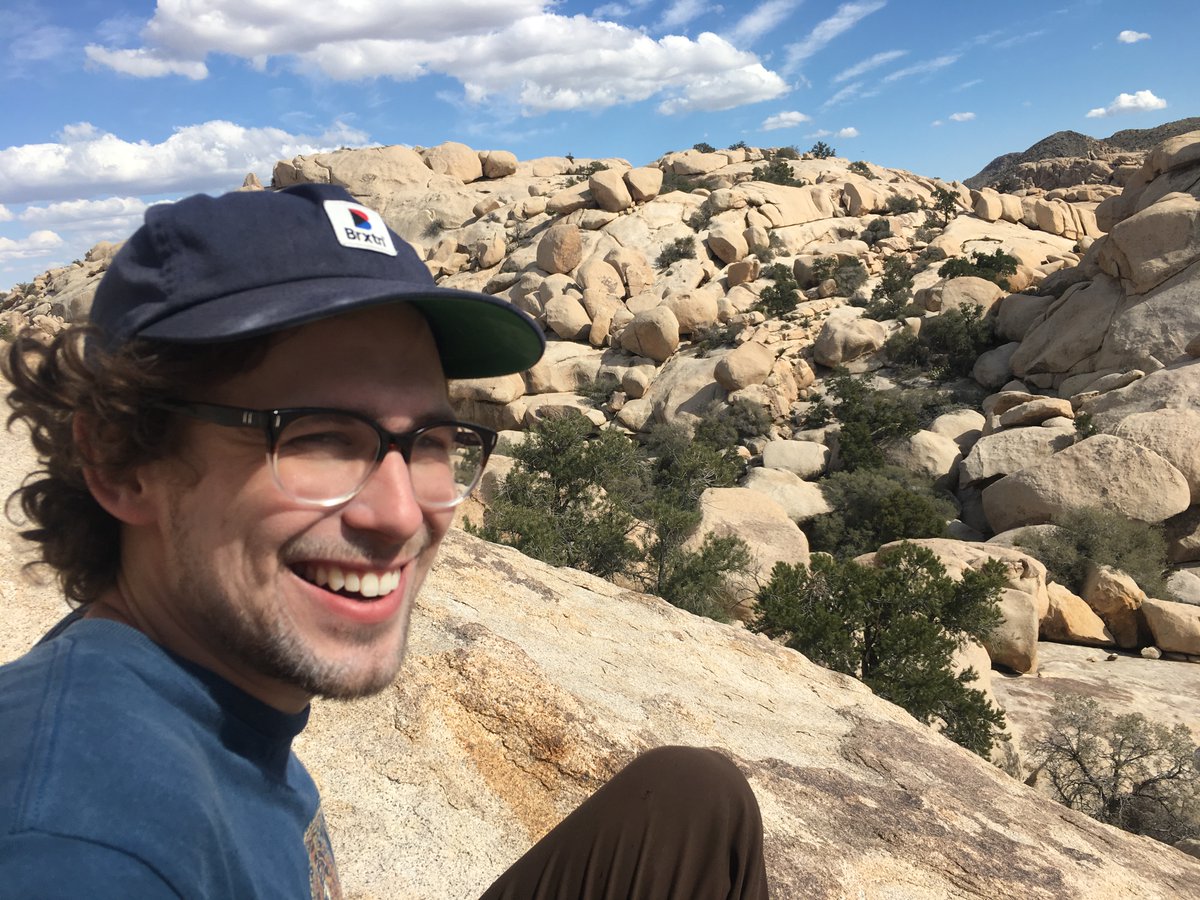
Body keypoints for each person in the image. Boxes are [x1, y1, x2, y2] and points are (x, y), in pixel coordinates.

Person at [0, 182, 769, 898]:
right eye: (319, 437)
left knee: (694, 801)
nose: (401, 515)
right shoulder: (79, 843)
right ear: (121, 460)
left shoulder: (191, 683)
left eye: (431, 441)